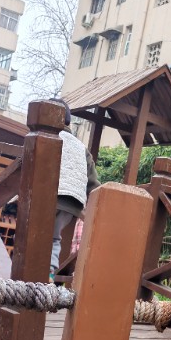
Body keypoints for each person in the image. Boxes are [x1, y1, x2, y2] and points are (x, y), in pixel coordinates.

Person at [48, 98, 100, 281]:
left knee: (33, 234)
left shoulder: (45, 136)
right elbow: (93, 183)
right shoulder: (81, 147)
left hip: (48, 196)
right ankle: (49, 273)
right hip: (73, 203)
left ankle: (31, 273)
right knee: (54, 238)